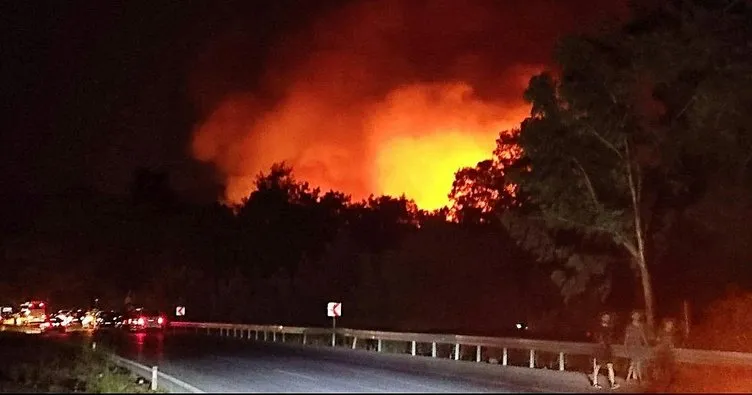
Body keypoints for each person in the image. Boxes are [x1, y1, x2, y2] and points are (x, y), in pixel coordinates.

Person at [592, 312, 620, 390]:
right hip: (601, 349)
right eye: (605, 317)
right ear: (602, 318)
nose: (606, 319)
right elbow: (597, 338)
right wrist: (601, 345)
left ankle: (612, 383)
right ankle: (595, 382)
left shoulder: (610, 328)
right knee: (598, 366)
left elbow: (611, 338)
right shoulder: (598, 328)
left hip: (607, 349)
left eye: (607, 317)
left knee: (610, 365)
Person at [624, 310, 649, 382]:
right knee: (634, 362)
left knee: (638, 362)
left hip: (638, 345)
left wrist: (646, 343)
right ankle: (631, 378)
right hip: (632, 345)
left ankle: (637, 378)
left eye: (638, 315)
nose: (636, 317)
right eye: (635, 315)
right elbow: (627, 336)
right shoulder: (629, 326)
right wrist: (625, 345)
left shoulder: (641, 325)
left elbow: (642, 335)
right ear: (632, 316)